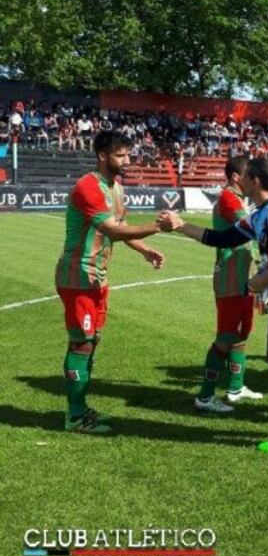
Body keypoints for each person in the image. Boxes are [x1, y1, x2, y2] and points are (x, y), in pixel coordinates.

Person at [161, 157, 268, 452]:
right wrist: (181, 225)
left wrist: (257, 283)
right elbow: (222, 238)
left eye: (247, 177)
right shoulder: (261, 213)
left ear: (255, 182)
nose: (242, 181)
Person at [56, 130, 167, 434]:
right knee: (81, 343)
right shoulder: (88, 187)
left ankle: (81, 409)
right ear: (103, 156)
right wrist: (159, 227)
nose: (127, 160)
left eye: (128, 154)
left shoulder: (116, 187)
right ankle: (75, 416)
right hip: (78, 275)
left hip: (97, 276)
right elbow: (113, 231)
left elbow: (119, 227)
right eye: (121, 155)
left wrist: (145, 250)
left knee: (91, 342)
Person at [193, 156, 264, 413]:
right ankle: (205, 396)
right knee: (226, 335)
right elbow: (253, 227)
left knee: (241, 334)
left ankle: (235, 388)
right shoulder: (228, 198)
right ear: (236, 177)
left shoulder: (238, 199)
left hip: (244, 276)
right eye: (249, 175)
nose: (253, 180)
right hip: (230, 276)